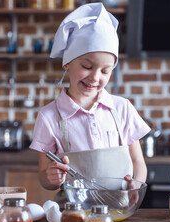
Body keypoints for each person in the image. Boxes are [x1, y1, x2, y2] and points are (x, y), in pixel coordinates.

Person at [29, 3, 150, 194]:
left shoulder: (122, 108)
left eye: (105, 71)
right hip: (74, 213)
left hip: (119, 209)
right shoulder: (49, 116)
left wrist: (136, 183)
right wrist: (52, 177)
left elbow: (138, 163)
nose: (95, 77)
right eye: (87, 66)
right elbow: (44, 177)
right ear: (67, 63)